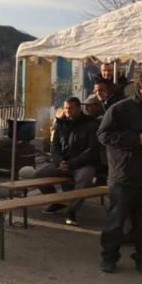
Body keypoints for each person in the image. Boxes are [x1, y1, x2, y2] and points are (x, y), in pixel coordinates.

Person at [97, 67, 142, 277]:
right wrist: (136, 139)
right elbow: (104, 135)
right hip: (125, 177)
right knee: (115, 222)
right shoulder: (121, 109)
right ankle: (109, 258)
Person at [36, 97, 100, 226]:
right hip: (63, 162)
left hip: (82, 164)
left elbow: (92, 150)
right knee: (39, 175)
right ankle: (56, 201)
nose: (67, 111)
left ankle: (71, 211)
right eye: (65, 108)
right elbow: (54, 147)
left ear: (78, 108)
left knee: (85, 178)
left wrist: (72, 163)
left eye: (70, 108)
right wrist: (60, 162)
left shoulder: (90, 124)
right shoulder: (60, 124)